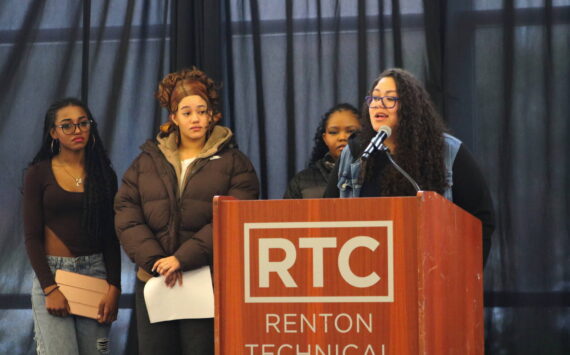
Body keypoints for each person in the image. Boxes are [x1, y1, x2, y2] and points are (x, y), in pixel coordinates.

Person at [114, 67, 260, 354]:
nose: (195, 118)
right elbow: (125, 212)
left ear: (211, 115)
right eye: (187, 111)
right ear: (174, 117)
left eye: (201, 111)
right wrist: (156, 260)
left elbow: (234, 217)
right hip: (155, 281)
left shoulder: (235, 163)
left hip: (208, 281)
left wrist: (182, 258)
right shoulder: (146, 162)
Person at [324, 68, 495, 264]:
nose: (379, 104)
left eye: (390, 99)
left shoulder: (446, 151)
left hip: (429, 273)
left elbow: (481, 220)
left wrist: (461, 278)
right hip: (362, 271)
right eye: (374, 98)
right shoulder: (355, 155)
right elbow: (327, 216)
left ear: (409, 107)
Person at [22, 98, 121, 354]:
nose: (77, 130)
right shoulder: (38, 173)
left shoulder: (104, 174)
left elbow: (111, 236)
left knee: (99, 351)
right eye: (67, 126)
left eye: (83, 123)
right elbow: (32, 238)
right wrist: (49, 288)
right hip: (53, 276)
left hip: (97, 276)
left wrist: (115, 287)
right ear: (53, 132)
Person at [283, 103, 360, 198]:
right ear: (325, 138)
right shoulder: (302, 181)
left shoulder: (375, 175)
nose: (342, 137)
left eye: (351, 131)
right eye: (333, 132)